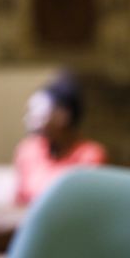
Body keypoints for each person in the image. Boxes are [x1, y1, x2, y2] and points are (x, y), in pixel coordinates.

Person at [14, 73, 106, 206]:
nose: (30, 120)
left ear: (63, 116)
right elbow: (19, 201)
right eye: (30, 112)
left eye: (39, 113)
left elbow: (85, 203)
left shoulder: (89, 155)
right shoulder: (27, 151)